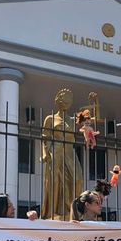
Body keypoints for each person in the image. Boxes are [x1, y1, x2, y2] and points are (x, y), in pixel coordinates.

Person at [41, 88, 84, 220]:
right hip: (56, 150)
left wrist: (95, 102)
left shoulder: (72, 120)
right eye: (64, 99)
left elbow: (93, 119)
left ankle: (73, 210)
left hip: (70, 151)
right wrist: (45, 153)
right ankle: (52, 213)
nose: (67, 102)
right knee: (55, 182)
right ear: (58, 101)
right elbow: (45, 137)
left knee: (77, 179)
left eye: (69, 100)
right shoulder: (50, 118)